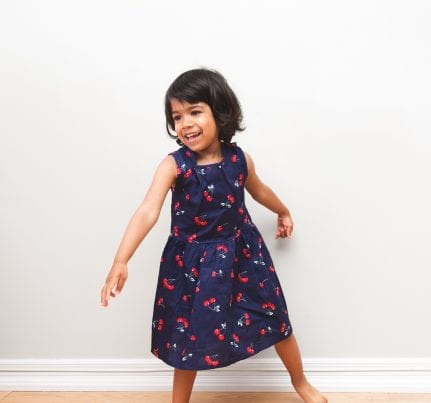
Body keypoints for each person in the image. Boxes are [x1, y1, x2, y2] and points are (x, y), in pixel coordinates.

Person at [100, 68, 327, 403]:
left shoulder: (239, 159)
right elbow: (148, 210)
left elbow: (259, 190)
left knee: (276, 318)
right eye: (177, 116)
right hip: (193, 265)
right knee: (187, 336)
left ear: (220, 113)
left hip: (243, 257)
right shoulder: (173, 166)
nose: (185, 123)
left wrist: (283, 210)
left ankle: (301, 383)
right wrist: (121, 259)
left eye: (195, 112)